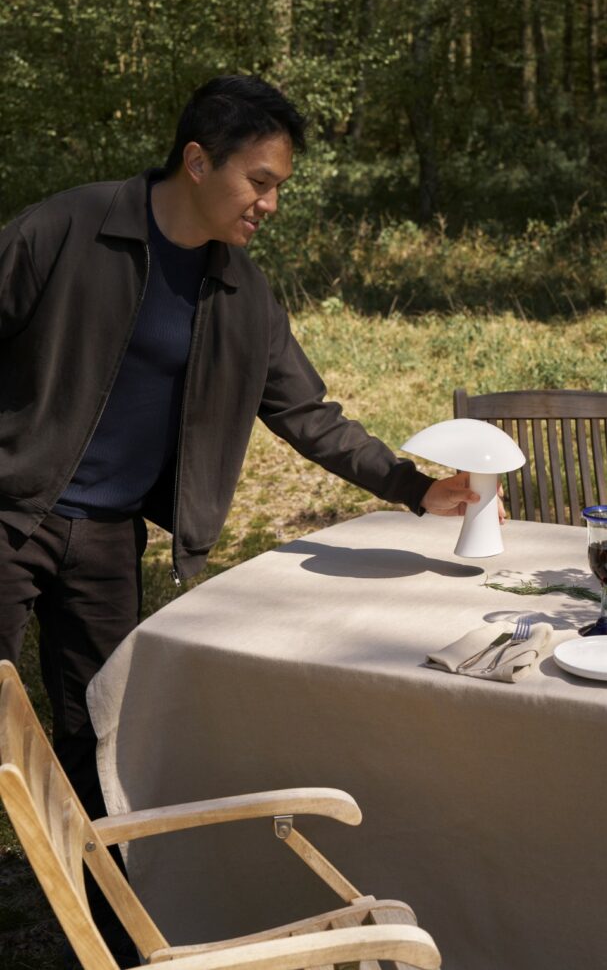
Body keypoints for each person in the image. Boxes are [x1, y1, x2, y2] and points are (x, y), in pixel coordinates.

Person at [0, 73, 484, 963]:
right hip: (10, 515)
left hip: (108, 541)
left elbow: (311, 414)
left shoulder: (243, 295)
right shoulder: (66, 229)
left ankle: (107, 940)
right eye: (259, 180)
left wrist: (415, 488)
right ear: (196, 159)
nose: (268, 202)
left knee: (98, 738)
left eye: (278, 188)